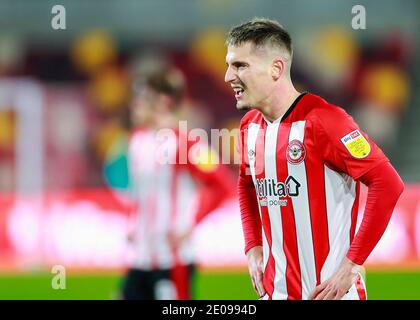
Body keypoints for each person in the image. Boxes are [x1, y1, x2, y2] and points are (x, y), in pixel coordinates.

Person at [224, 18, 404, 300]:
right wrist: (252, 246)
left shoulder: (325, 120)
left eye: (240, 66)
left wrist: (351, 265)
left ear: (276, 69)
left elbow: (388, 183)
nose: (228, 76)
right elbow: (246, 185)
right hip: (276, 293)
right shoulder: (249, 126)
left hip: (330, 294)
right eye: (228, 65)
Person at [121, 65, 234, 300]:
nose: (134, 104)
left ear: (162, 101)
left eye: (141, 97)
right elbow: (140, 193)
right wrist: (133, 223)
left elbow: (223, 186)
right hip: (140, 256)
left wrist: (189, 225)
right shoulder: (137, 140)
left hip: (172, 260)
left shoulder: (186, 143)